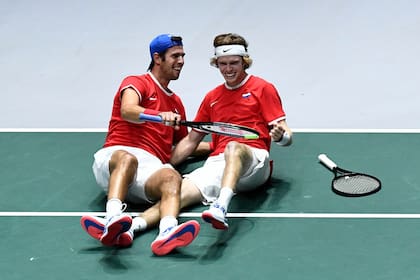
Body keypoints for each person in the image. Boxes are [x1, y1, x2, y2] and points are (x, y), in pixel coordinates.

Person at [80, 34, 203, 256]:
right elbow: (128, 110)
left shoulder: (176, 104)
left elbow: (181, 147)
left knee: (172, 177)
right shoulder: (136, 82)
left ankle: (166, 233)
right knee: (128, 159)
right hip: (115, 160)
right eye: (175, 56)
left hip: (149, 169)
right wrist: (158, 115)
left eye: (183, 55)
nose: (182, 61)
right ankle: (112, 218)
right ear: (157, 58)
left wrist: (217, 145)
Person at [168, 32, 293, 230]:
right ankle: (139, 227)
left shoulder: (262, 88)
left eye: (233, 63)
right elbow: (191, 141)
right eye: (222, 63)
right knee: (173, 194)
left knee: (234, 147)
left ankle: (221, 206)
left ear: (244, 62)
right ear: (216, 63)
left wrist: (281, 137)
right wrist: (164, 164)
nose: (228, 69)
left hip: (253, 162)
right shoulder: (212, 97)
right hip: (218, 163)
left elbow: (286, 134)